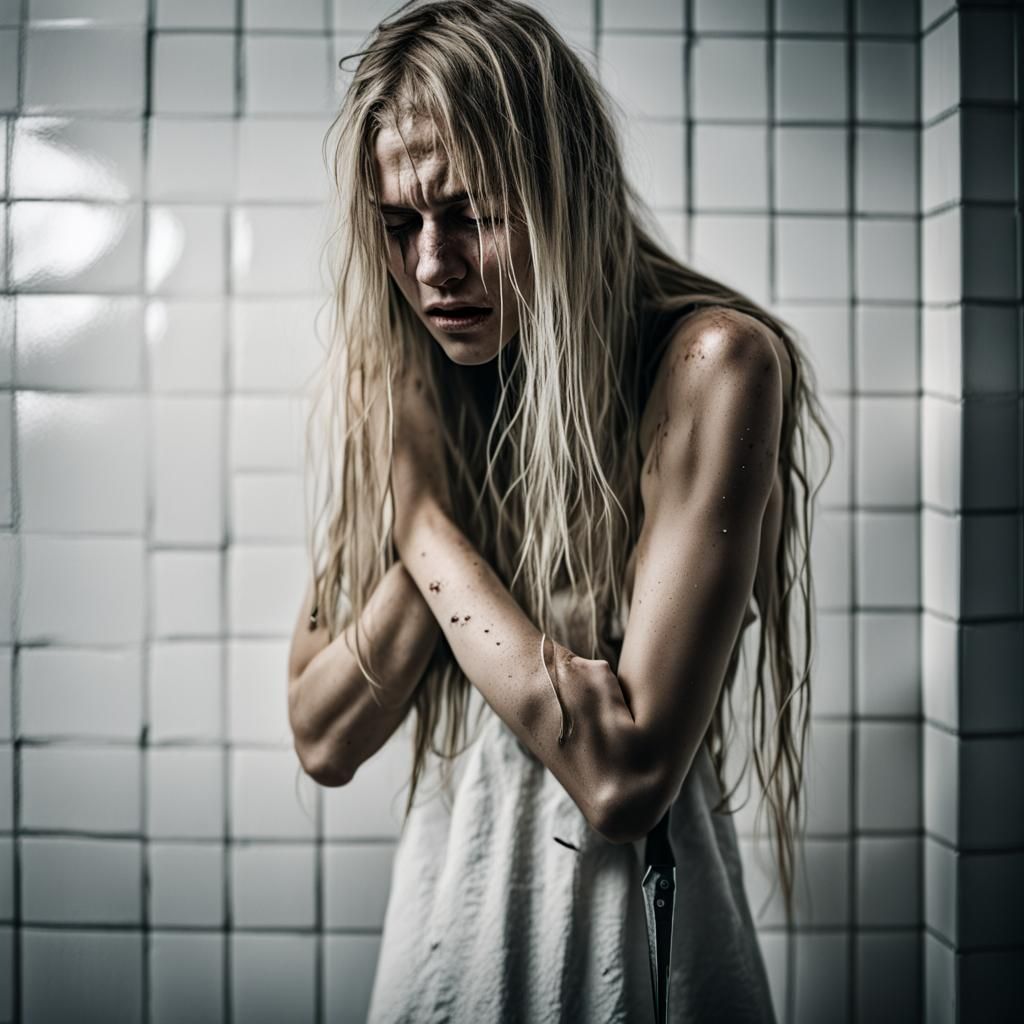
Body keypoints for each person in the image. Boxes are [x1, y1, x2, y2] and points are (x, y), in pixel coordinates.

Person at [286, 1, 832, 1020]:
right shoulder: (411, 377)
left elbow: (623, 775)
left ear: (564, 189)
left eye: (475, 214)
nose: (432, 268)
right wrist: (429, 544)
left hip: (637, 946)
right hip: (448, 929)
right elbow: (322, 734)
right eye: (399, 225)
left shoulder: (711, 366)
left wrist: (421, 520)